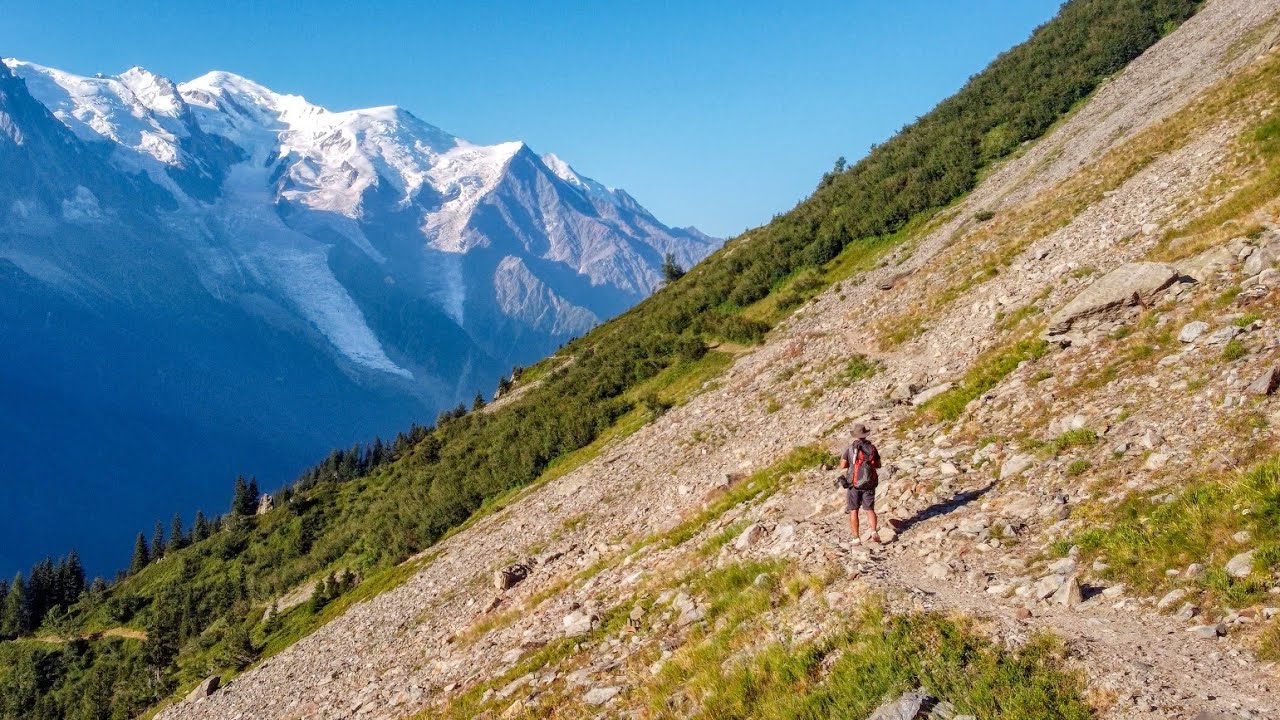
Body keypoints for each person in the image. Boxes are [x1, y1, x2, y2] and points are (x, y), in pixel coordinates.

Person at [838, 423, 881, 545]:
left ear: (855, 435)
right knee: (869, 509)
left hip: (854, 484)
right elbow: (878, 464)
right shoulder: (872, 448)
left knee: (854, 510)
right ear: (865, 434)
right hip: (869, 483)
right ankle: (873, 532)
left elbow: (843, 465)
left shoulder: (850, 449)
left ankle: (856, 538)